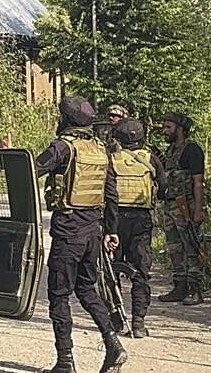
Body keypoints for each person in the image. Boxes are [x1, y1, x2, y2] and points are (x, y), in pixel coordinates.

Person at [36, 96, 127, 372]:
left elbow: (32, 169)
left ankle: (65, 362)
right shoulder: (100, 150)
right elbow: (111, 192)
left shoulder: (63, 148)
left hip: (68, 232)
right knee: (87, 289)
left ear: (65, 120)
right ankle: (113, 344)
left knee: (59, 295)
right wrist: (111, 230)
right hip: (93, 234)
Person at [109, 118, 165, 339]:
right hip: (141, 219)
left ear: (119, 138)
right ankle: (139, 323)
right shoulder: (151, 158)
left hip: (114, 219)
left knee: (111, 271)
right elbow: (163, 189)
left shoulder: (111, 158)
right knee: (140, 272)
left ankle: (116, 320)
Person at [157, 112, 206, 305]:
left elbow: (198, 182)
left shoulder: (191, 150)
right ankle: (179, 286)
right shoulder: (171, 151)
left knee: (191, 246)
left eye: (168, 127)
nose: (164, 131)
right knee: (174, 247)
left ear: (180, 129)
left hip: (186, 205)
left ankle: (195, 290)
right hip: (170, 205)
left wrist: (198, 210)